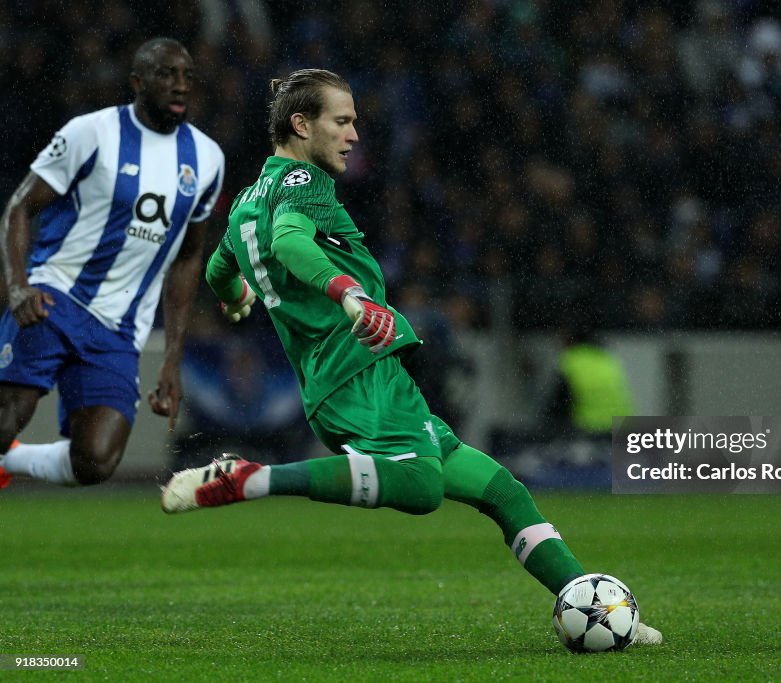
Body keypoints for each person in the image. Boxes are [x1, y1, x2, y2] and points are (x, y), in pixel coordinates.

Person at [160, 69, 662, 645]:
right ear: (301, 125)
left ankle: (596, 607)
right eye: (341, 121)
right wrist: (348, 295)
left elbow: (222, 267)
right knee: (421, 489)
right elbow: (291, 242)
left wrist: (238, 299)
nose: (353, 134)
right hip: (356, 369)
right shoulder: (303, 180)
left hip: (361, 374)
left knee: (501, 489)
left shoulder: (249, 200)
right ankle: (253, 479)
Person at [0, 38, 224, 488]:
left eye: (186, 77)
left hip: (119, 328)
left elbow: (187, 256)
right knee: (6, 418)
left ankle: (9, 464)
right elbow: (19, 208)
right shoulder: (91, 132)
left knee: (95, 461)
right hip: (54, 294)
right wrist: (19, 286)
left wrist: (172, 360)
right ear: (138, 83)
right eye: (166, 74)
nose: (180, 85)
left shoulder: (207, 159)